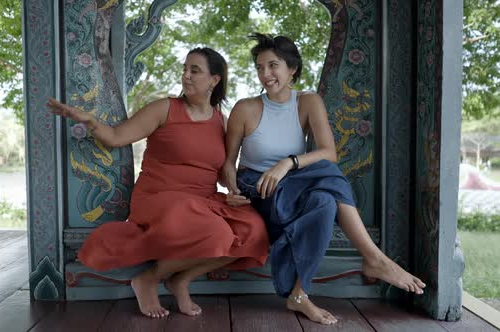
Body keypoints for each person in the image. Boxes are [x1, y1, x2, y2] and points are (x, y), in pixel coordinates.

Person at [46, 47, 269, 318]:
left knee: (254, 232)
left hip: (203, 200)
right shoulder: (165, 108)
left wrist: (233, 191)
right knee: (219, 234)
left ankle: (180, 280)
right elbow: (116, 137)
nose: (186, 75)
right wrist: (91, 121)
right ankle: (149, 278)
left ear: (214, 80)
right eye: (185, 69)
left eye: (194, 71)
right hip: (159, 197)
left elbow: (222, 171)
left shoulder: (221, 122)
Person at [222, 33, 426, 325]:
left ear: (292, 68)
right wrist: (231, 190)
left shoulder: (307, 101)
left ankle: (299, 294)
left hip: (293, 181)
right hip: (258, 188)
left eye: (273, 65)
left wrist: (286, 163)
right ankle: (375, 259)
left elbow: (328, 152)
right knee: (328, 177)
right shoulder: (245, 108)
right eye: (259, 67)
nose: (265, 74)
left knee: (324, 202)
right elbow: (228, 164)